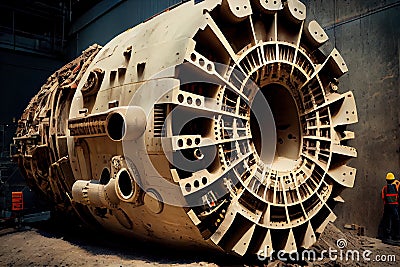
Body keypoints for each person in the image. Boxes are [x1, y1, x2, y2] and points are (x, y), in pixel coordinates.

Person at [381, 172, 400, 243]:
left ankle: (387, 236)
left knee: (387, 221)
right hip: (395, 206)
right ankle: (397, 236)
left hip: (387, 206)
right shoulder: (396, 186)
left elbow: (383, 197)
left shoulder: (385, 188)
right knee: (396, 220)